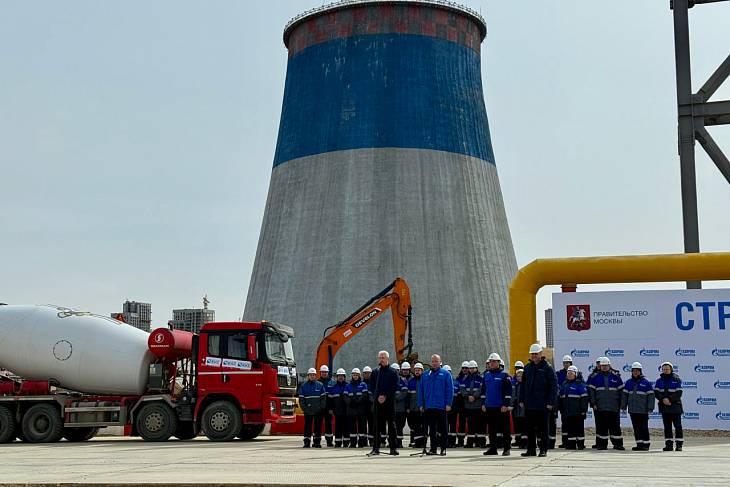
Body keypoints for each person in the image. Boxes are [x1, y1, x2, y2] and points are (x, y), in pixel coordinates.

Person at [519, 343, 558, 457]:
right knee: (529, 428)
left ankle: (543, 449)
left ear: (541, 354)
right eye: (532, 354)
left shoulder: (547, 368)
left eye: (536, 354)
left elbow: (553, 386)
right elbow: (523, 385)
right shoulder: (527, 368)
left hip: (543, 404)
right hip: (529, 404)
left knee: (543, 429)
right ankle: (531, 450)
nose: (534, 356)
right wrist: (521, 399)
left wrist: (550, 402)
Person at [418, 353, 453, 456]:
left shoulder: (446, 374)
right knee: (432, 429)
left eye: (436, 361)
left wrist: (448, 403)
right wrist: (421, 404)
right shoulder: (425, 375)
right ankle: (433, 449)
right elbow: (421, 390)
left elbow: (449, 390)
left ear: (440, 362)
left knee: (443, 428)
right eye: (433, 361)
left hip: (441, 406)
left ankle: (443, 448)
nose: (434, 363)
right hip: (429, 406)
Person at [588, 357, 624, 450]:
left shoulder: (616, 377)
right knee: (602, 427)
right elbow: (592, 392)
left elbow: (621, 392)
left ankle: (618, 444)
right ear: (600, 366)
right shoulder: (595, 378)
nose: (604, 367)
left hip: (614, 407)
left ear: (609, 365)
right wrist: (593, 403)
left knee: (615, 427)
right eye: (602, 366)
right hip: (600, 407)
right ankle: (602, 445)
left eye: (606, 365)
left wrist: (622, 404)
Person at [367, 350, 399, 456]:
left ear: (387, 358)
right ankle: (375, 448)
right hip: (378, 402)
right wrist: (378, 396)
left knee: (392, 425)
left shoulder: (393, 372)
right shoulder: (375, 372)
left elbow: (395, 386)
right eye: (380, 357)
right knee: (376, 425)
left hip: (389, 402)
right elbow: (371, 386)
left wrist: (385, 396)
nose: (381, 359)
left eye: (383, 357)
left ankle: (393, 448)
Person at [481, 353, 512, 456]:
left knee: (505, 428)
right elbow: (483, 390)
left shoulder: (505, 375)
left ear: (499, 362)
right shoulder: (486, 375)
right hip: (489, 406)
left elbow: (508, 392)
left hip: (501, 407)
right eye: (491, 362)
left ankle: (506, 448)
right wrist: (483, 403)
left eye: (494, 361)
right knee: (491, 429)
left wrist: (505, 404)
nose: (492, 363)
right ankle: (493, 448)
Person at [621, 361, 654, 451]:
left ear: (640, 371)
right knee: (636, 428)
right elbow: (625, 395)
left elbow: (651, 396)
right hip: (633, 410)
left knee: (644, 427)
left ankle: (646, 444)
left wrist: (650, 407)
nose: (635, 372)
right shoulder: (628, 382)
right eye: (633, 371)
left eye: (637, 371)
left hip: (643, 410)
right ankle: (639, 444)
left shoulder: (646, 382)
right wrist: (623, 406)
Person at [558, 365, 588, 450]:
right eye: (568, 373)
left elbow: (584, 398)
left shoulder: (580, 384)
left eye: (571, 373)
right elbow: (561, 398)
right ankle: (571, 445)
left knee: (579, 429)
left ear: (576, 374)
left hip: (578, 412)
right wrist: (561, 409)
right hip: (568, 412)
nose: (569, 375)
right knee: (570, 429)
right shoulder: (565, 385)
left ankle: (580, 444)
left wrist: (583, 410)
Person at [655, 361, 683, 452]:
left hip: (675, 407)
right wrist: (663, 399)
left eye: (667, 369)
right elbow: (656, 393)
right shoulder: (659, 381)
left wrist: (670, 400)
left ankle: (679, 445)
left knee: (678, 426)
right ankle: (669, 445)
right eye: (664, 369)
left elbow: (679, 393)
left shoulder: (676, 379)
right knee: (667, 427)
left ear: (671, 369)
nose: (665, 371)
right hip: (664, 407)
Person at [299, 368, 327, 448]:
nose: (312, 376)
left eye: (313, 375)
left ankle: (317, 442)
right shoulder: (303, 386)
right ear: (308, 376)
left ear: (315, 376)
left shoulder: (320, 385)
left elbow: (323, 398)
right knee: (307, 427)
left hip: (318, 411)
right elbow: (301, 399)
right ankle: (307, 442)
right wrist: (305, 409)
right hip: (308, 411)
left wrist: (321, 408)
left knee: (318, 427)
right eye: (311, 375)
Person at [460, 360, 484, 448]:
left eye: (473, 368)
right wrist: (468, 397)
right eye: (470, 368)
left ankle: (481, 442)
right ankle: (470, 442)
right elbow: (462, 390)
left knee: (480, 424)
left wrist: (474, 396)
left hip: (478, 405)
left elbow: (481, 389)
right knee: (470, 424)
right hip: (468, 405)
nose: (471, 370)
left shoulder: (480, 378)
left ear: (476, 368)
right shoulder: (465, 379)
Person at [345, 368, 369, 448]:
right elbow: (345, 396)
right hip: (351, 409)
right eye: (354, 375)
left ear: (359, 375)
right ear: (352, 375)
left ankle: (361, 442)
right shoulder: (348, 385)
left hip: (361, 409)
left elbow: (365, 395)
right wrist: (350, 402)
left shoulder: (363, 384)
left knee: (361, 426)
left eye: (356, 375)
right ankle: (353, 442)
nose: (355, 376)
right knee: (352, 427)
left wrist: (358, 402)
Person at [555, 354, 574, 448]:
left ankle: (571, 441)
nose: (566, 364)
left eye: (567, 363)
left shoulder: (575, 372)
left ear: (571, 363)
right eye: (564, 363)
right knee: (564, 422)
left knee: (571, 422)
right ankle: (564, 442)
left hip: (571, 402)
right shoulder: (559, 373)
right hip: (562, 400)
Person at [328, 368, 349, 447]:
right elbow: (330, 399)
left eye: (342, 376)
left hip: (347, 411)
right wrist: (330, 408)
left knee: (346, 426)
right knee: (338, 427)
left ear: (344, 377)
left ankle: (346, 442)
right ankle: (338, 442)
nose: (340, 377)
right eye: (339, 376)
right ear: (337, 377)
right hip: (337, 410)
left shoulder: (348, 386)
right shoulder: (333, 387)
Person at [407, 362, 425, 448]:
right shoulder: (411, 381)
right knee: (415, 426)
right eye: (416, 370)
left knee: (423, 426)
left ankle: (423, 443)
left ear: (422, 371)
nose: (417, 372)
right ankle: (417, 443)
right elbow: (408, 396)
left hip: (423, 408)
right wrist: (408, 407)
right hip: (413, 408)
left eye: (419, 370)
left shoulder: (425, 380)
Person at [318, 364, 335, 446]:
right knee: (318, 424)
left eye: (325, 372)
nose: (324, 373)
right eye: (323, 372)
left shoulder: (332, 382)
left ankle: (329, 441)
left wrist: (332, 408)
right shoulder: (317, 383)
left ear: (328, 373)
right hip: (320, 407)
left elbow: (333, 397)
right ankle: (317, 441)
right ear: (320, 373)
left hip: (329, 407)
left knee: (329, 424)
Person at [394, 362, 410, 448]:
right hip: (392, 408)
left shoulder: (403, 381)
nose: (395, 372)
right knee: (393, 426)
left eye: (397, 370)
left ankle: (399, 442)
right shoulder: (389, 381)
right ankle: (393, 442)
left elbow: (404, 393)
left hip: (401, 408)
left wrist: (395, 398)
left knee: (400, 425)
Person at [454, 361, 469, 447]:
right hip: (459, 402)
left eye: (466, 368)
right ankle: (460, 440)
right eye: (463, 368)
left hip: (467, 402)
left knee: (468, 421)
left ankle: (472, 440)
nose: (465, 369)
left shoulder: (470, 378)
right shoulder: (459, 378)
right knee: (461, 422)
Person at [510, 369, 527, 449]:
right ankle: (519, 441)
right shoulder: (515, 385)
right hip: (516, 408)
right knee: (518, 424)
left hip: (524, 408)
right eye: (518, 376)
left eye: (521, 376)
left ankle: (525, 442)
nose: (519, 378)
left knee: (524, 425)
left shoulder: (526, 385)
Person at [362, 365, 374, 445]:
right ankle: (364, 441)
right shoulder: (361, 384)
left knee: (371, 424)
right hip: (363, 407)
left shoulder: (373, 384)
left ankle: (371, 440)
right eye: (365, 373)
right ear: (363, 374)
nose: (367, 375)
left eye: (369, 373)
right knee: (363, 424)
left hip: (371, 407)